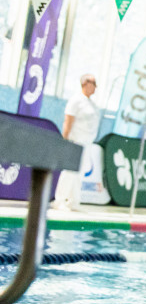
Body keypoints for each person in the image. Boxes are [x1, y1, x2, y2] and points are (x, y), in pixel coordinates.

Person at [53, 74, 100, 211]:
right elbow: (68, 122)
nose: (96, 87)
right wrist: (65, 140)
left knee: (79, 172)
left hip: (86, 143)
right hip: (74, 141)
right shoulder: (76, 101)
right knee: (69, 171)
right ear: (85, 83)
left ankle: (74, 201)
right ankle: (59, 200)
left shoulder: (91, 103)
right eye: (93, 83)